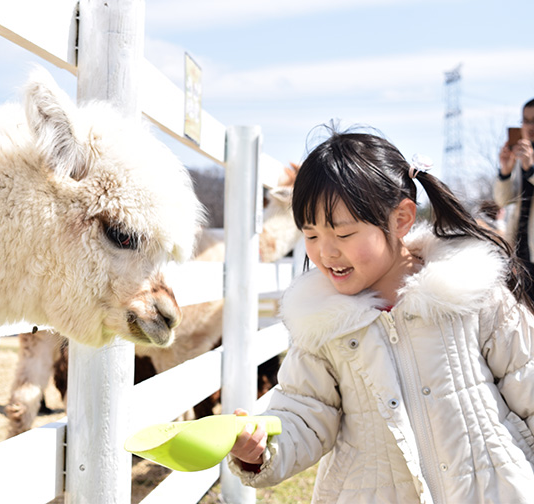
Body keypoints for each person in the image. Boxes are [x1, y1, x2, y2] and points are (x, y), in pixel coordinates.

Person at [228, 129, 534, 503]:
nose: (325, 253)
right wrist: (263, 449)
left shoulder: (472, 294)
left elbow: (528, 383)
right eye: (310, 236)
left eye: (343, 234)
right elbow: (304, 412)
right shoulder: (323, 325)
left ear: (402, 218)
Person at [494, 98, 534, 292]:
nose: (529, 126)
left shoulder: (527, 161)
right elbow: (503, 201)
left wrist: (531, 169)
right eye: (525, 121)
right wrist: (505, 171)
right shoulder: (521, 156)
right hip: (521, 254)